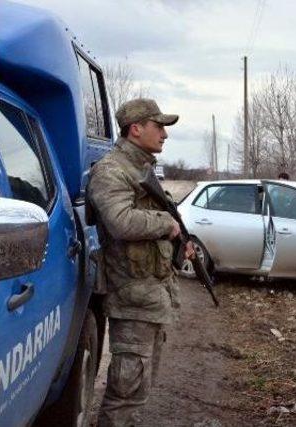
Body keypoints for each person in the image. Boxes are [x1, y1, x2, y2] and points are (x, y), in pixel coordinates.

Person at [88, 98, 194, 426]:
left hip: (149, 297)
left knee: (137, 389)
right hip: (131, 297)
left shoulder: (141, 168)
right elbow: (120, 221)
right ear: (136, 129)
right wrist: (166, 223)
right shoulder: (112, 170)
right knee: (125, 393)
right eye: (159, 126)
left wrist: (179, 241)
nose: (164, 134)